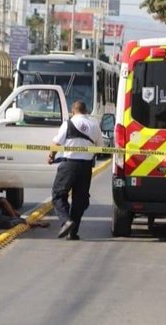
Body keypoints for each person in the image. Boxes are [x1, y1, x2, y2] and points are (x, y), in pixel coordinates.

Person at [48, 100, 102, 240]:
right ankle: (73, 232)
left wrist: (50, 156)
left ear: (73, 111)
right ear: (86, 111)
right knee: (80, 200)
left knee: (58, 195)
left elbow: (56, 143)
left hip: (69, 165)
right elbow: (100, 147)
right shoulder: (94, 125)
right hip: (85, 167)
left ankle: (66, 221)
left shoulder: (68, 124)